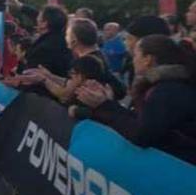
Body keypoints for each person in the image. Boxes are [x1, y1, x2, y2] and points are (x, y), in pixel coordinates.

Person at [76, 35, 196, 165]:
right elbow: (143, 120)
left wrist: (104, 106)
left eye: (135, 55)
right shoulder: (167, 85)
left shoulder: (167, 90)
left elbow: (142, 134)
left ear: (148, 59)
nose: (133, 60)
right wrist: (108, 104)